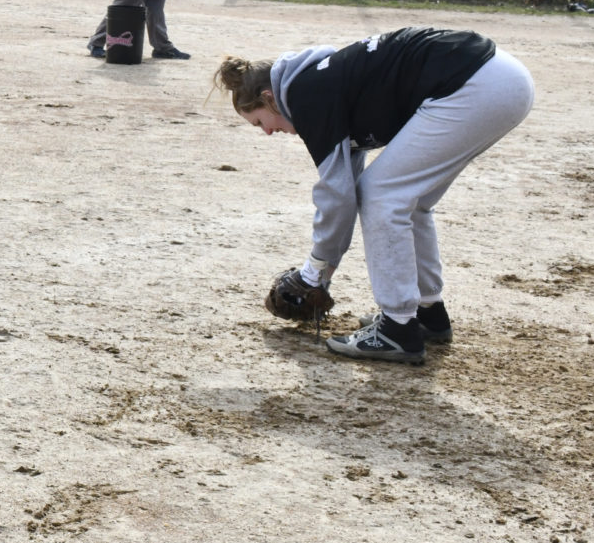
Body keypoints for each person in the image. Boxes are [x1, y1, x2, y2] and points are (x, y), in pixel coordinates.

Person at [215, 28, 536, 364]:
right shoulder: (319, 82)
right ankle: (427, 312)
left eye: (259, 122)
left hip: (474, 85)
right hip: (500, 80)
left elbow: (337, 196)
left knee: (382, 194)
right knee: (408, 200)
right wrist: (323, 268)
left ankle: (398, 329)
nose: (268, 132)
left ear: (269, 98)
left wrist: (315, 272)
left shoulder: (304, 94)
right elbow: (344, 186)